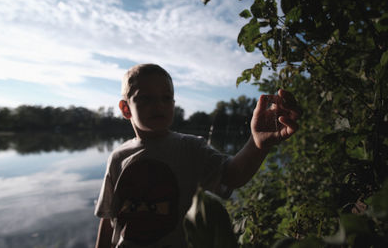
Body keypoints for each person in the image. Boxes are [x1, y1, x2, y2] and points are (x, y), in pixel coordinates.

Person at [94, 63, 301, 248]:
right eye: (146, 98)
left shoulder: (191, 148)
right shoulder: (118, 157)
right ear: (125, 108)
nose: (159, 105)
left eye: (166, 98)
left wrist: (258, 144)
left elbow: (233, 175)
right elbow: (108, 217)